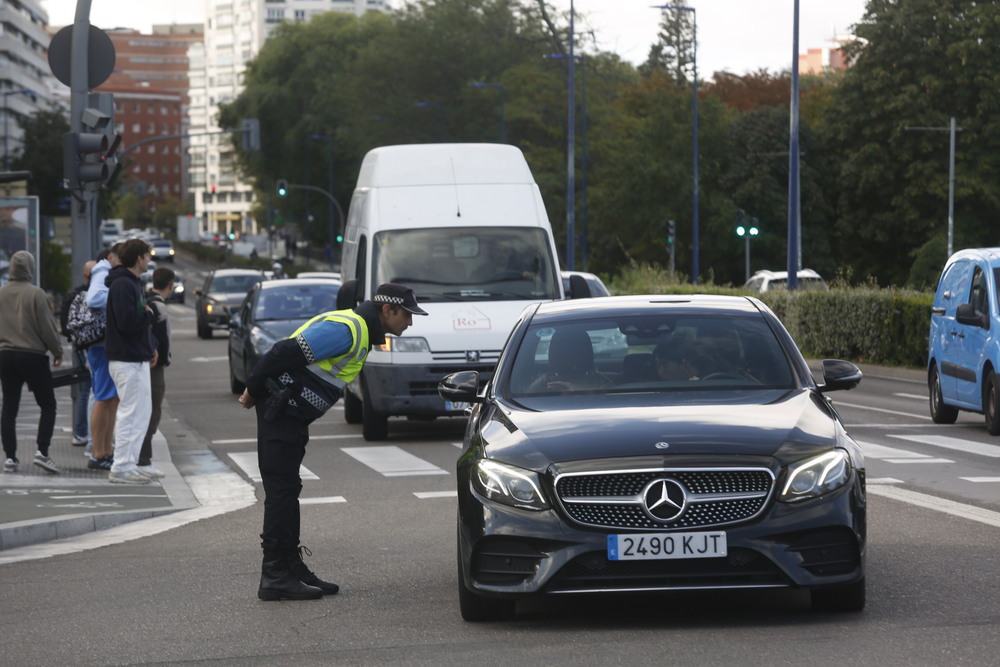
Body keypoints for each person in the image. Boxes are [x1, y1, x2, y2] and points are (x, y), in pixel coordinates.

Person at [238, 282, 428, 601]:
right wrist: (252, 390)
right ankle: (275, 574)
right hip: (281, 410)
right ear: (387, 310)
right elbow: (282, 352)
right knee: (281, 492)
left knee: (288, 489)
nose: (410, 322)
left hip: (291, 414)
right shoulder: (349, 330)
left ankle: (289, 566)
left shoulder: (360, 331)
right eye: (407, 315)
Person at [0, 250, 63, 474]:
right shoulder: (37, 294)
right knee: (47, 404)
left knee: (9, 407)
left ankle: (10, 458)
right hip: (33, 356)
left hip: (5, 355)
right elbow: (47, 327)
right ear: (30, 268)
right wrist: (57, 351)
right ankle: (42, 452)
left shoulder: (1, 293)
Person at [104, 238, 157, 484]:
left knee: (141, 412)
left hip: (136, 356)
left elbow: (133, 318)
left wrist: (149, 347)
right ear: (139, 258)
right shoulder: (123, 285)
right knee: (129, 412)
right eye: (148, 256)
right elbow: (126, 322)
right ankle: (121, 466)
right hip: (126, 359)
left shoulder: (131, 283)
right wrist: (148, 317)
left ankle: (130, 463)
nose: (149, 260)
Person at [85, 245, 122, 471]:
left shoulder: (107, 271)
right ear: (111, 258)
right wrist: (119, 295)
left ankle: (105, 450)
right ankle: (98, 452)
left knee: (110, 399)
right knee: (103, 397)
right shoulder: (102, 270)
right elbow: (94, 298)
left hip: (106, 344)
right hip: (102, 345)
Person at [137, 266, 174, 479]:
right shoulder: (159, 306)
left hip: (143, 362)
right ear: (170, 285)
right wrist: (164, 358)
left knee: (144, 410)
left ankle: (142, 456)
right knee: (152, 412)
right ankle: (143, 458)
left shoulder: (146, 299)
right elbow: (163, 338)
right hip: (154, 366)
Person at [61, 260, 96, 449]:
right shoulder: (86, 295)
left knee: (87, 391)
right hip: (89, 348)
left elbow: (65, 326)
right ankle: (83, 433)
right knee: (91, 390)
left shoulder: (74, 294)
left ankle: (82, 432)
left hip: (80, 347)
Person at [527, 329, 611, 393]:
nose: (570, 359)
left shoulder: (600, 382)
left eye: (575, 354)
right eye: (563, 354)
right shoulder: (542, 384)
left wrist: (574, 389)